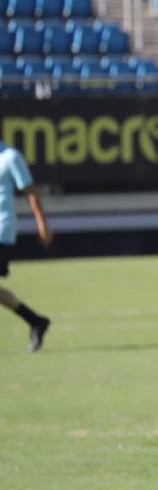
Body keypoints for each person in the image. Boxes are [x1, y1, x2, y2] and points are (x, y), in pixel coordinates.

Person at [0, 139, 52, 352]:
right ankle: (35, 320)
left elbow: (30, 192)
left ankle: (35, 321)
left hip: (1, 230)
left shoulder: (11, 157)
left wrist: (43, 224)